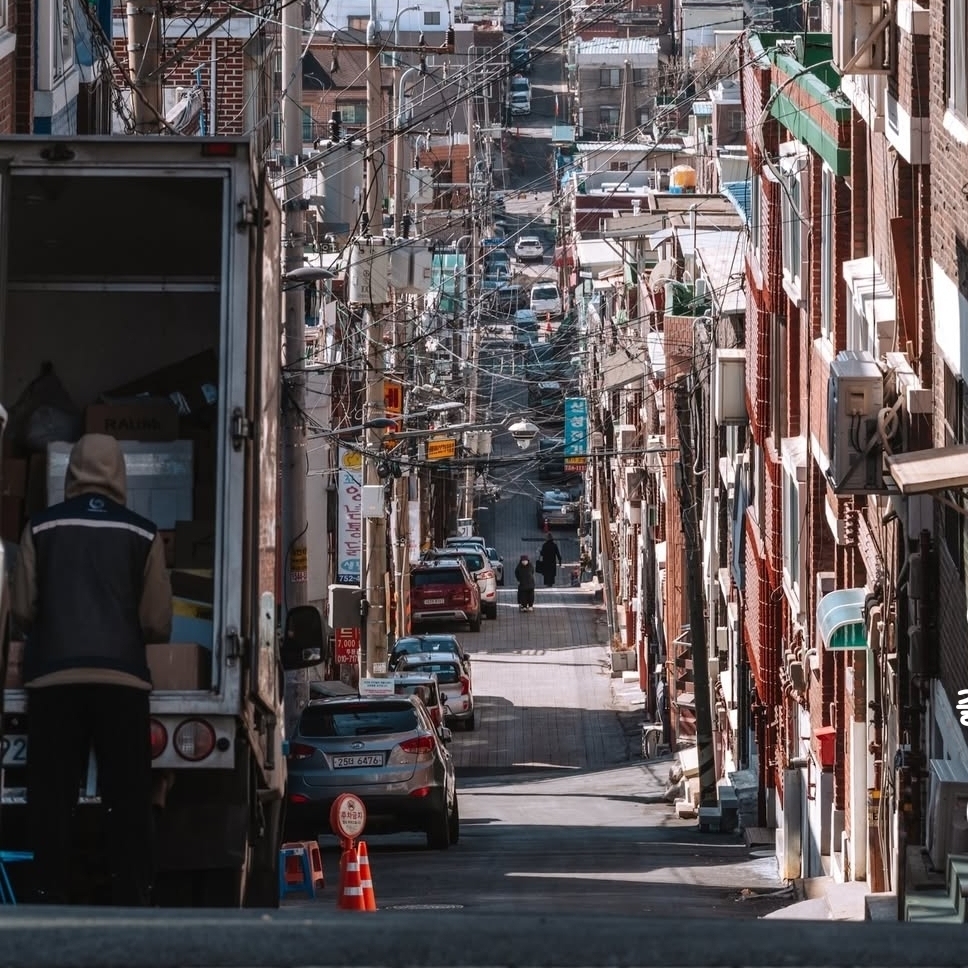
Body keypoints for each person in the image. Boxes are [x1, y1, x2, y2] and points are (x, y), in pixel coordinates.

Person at [11, 433, 173, 905]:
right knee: (127, 796)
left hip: (53, 679)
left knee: (52, 795)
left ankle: (47, 889)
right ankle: (133, 890)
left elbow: (22, 609)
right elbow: (156, 621)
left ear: (71, 473)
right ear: (119, 473)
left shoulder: (40, 528)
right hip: (122, 681)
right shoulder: (143, 533)